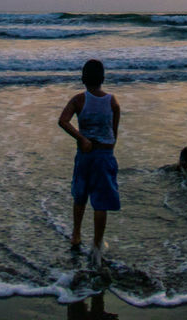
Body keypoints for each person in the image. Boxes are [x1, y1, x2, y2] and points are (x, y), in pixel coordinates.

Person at [59, 58, 120, 262]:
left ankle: (76, 234)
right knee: (100, 201)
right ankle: (96, 245)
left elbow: (63, 121)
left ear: (83, 78)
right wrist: (108, 147)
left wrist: (82, 138)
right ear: (103, 78)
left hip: (85, 153)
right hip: (104, 154)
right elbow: (114, 131)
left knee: (80, 195)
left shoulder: (78, 100)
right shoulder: (112, 101)